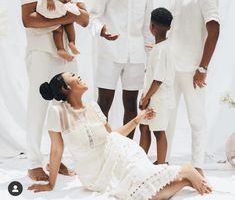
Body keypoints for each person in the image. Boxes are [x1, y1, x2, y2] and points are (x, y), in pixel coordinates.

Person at [28, 72, 212, 200]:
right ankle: (186, 177)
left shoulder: (93, 106)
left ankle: (185, 172)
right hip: (94, 174)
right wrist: (51, 184)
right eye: (74, 76)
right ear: (66, 89)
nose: (79, 76)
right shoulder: (57, 111)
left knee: (141, 190)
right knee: (138, 194)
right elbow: (56, 149)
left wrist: (137, 120)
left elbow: (111, 136)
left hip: (118, 153)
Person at [20, 0, 89, 181]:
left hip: (67, 56)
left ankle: (56, 161)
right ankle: (33, 163)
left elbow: (84, 19)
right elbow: (28, 19)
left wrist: (70, 7)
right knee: (39, 107)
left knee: (68, 108)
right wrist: (62, 19)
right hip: (41, 53)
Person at [89, 0, 153, 139]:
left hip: (136, 56)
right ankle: (100, 151)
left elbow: (147, 28)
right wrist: (102, 31)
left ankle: (126, 151)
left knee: (131, 104)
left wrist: (149, 59)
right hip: (110, 52)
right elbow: (94, 16)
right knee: (103, 104)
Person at [167, 0, 220, 175]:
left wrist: (203, 67)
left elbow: (214, 30)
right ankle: (163, 164)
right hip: (171, 66)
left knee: (196, 119)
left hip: (193, 69)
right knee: (166, 117)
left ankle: (197, 166)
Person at [139, 8, 174, 165]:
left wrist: (146, 97)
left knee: (159, 131)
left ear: (151, 27)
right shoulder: (161, 47)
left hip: (158, 98)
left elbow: (158, 79)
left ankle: (161, 164)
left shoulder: (161, 50)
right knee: (144, 128)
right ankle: (139, 162)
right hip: (152, 95)